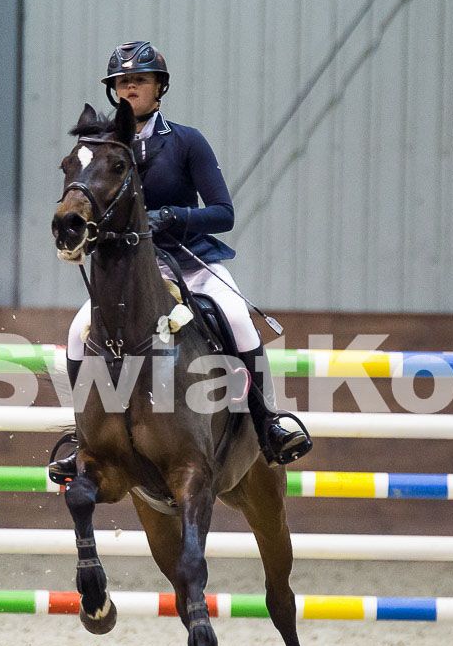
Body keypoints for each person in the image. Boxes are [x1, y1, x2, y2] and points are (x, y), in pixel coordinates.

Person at [48, 40, 311, 483]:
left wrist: (174, 216)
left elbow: (223, 213)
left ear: (159, 88)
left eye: (139, 80)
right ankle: (83, 437)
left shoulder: (186, 141)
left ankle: (268, 422)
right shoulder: (102, 150)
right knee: (78, 333)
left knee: (237, 318)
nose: (130, 88)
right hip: (134, 273)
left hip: (189, 260)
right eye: (122, 83)